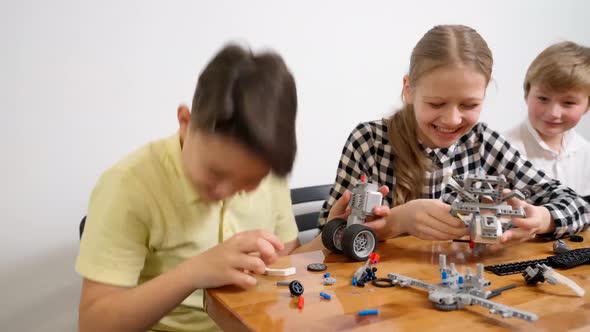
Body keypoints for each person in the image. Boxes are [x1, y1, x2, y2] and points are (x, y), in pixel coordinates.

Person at [76, 44, 301, 332]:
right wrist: (195, 273)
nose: (225, 192)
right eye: (214, 172)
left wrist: (331, 236)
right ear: (185, 123)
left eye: (247, 184)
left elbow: (285, 262)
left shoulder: (269, 173)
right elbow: (94, 324)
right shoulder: (128, 185)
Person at [318, 25, 590, 250]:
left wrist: (544, 218)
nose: (452, 120)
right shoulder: (370, 142)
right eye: (437, 104)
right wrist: (398, 222)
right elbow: (326, 239)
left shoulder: (482, 142)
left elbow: (578, 205)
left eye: (469, 106)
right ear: (409, 90)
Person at [505, 41, 590, 196]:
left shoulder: (586, 154)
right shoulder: (504, 152)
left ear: (587, 105)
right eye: (543, 99)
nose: (553, 113)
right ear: (527, 94)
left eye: (568, 103)